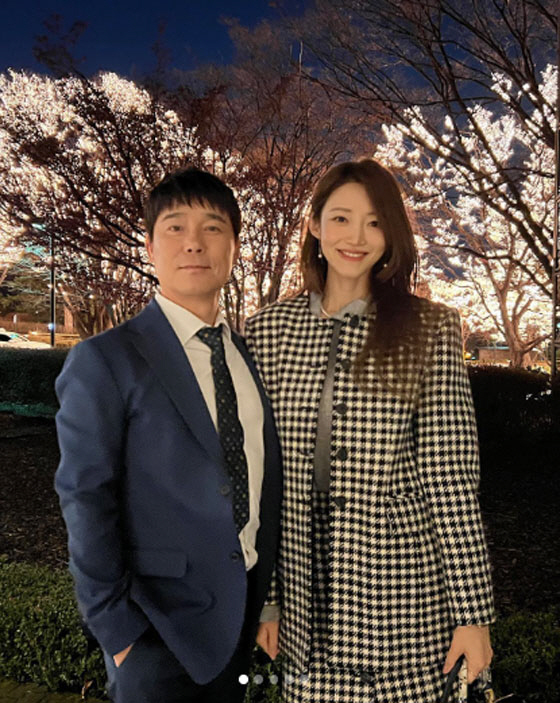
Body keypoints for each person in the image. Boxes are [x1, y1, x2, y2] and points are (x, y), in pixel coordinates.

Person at [245, 159, 494, 702]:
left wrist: (472, 614)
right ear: (315, 225)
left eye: (375, 222)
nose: (356, 237)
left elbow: (450, 475)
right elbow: (257, 476)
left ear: (392, 234)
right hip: (303, 590)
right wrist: (267, 599)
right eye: (341, 218)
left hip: (401, 588)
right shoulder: (267, 330)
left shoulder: (429, 327)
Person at [54, 167, 282, 703]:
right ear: (151, 247)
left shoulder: (248, 357)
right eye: (175, 227)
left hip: (239, 616)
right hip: (155, 631)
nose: (194, 243)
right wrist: (118, 633)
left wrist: (265, 599)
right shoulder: (106, 359)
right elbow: (85, 497)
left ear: (234, 247)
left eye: (213, 227)